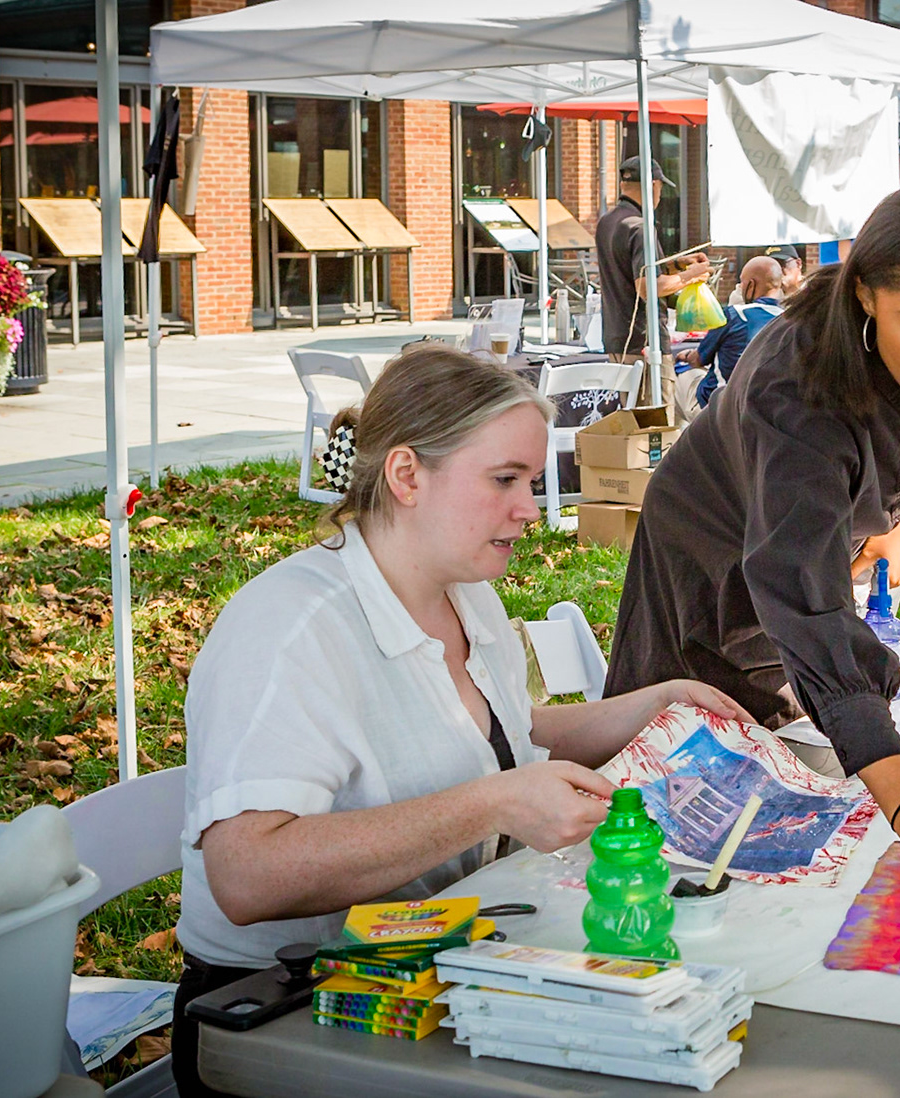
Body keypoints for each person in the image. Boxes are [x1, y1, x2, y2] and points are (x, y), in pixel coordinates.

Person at [170, 345, 752, 1098]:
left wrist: (650, 706)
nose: (530, 510)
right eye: (505, 480)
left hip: (431, 971)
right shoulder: (289, 630)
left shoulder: (464, 590)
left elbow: (495, 728)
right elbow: (247, 875)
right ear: (407, 476)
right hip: (289, 1018)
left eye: (534, 482)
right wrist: (500, 801)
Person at [604, 186, 900, 889]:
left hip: (802, 557)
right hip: (710, 568)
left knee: (802, 760)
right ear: (866, 297)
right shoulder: (795, 386)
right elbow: (803, 602)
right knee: (695, 787)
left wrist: (897, 518)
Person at [595, 154, 710, 370]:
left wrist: (675, 264)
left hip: (616, 337)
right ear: (654, 185)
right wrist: (691, 275)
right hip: (644, 341)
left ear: (623, 184)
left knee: (631, 404)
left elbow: (629, 270)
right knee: (658, 404)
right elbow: (647, 287)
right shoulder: (641, 227)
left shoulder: (608, 221)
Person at [677, 255, 785, 411]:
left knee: (681, 378)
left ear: (751, 285)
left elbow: (698, 360)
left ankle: (676, 433)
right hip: (768, 406)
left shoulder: (734, 314)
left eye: (742, 283)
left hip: (721, 406)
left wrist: (685, 356)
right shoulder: (790, 319)